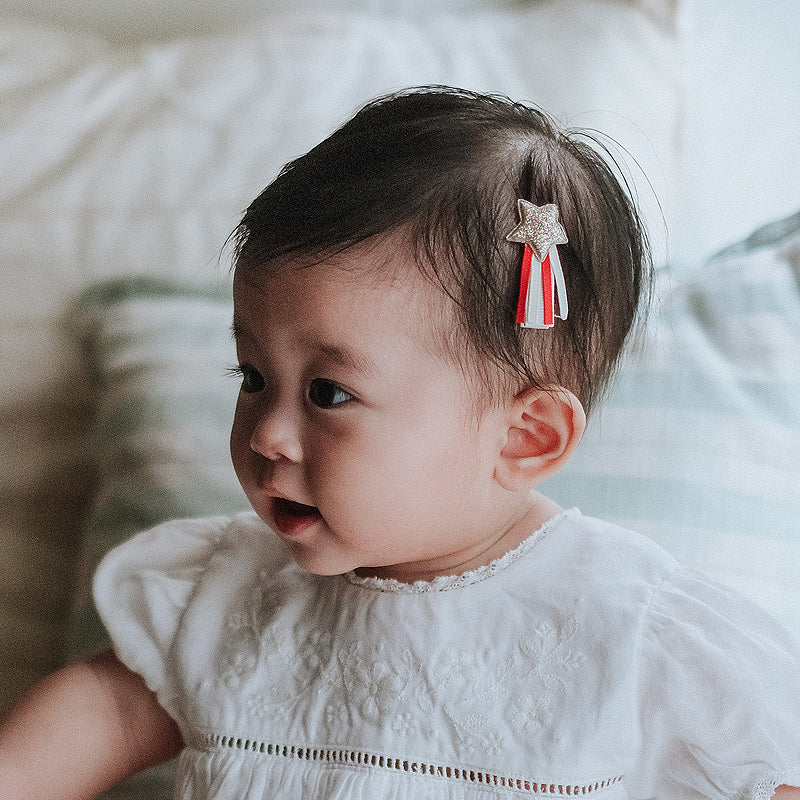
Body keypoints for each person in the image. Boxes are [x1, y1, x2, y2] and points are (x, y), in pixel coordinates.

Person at [1, 86, 799, 800]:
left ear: (525, 436)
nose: (268, 434)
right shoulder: (228, 595)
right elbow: (106, 708)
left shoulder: (637, 633)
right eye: (251, 376)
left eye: (329, 394)